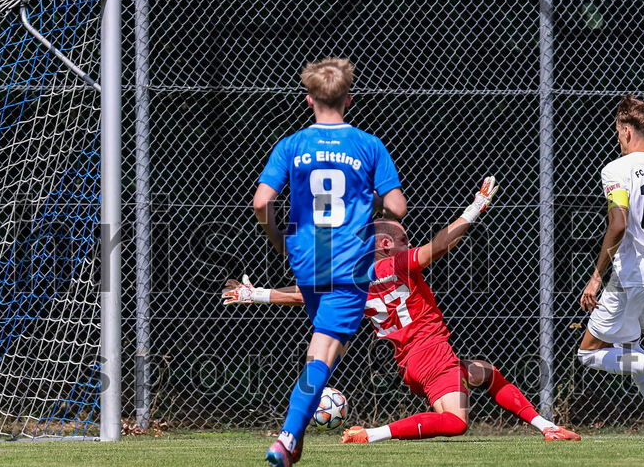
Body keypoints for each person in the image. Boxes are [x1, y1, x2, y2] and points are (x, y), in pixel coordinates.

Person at [224, 178, 580, 443]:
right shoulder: (397, 264)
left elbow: (302, 295)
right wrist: (474, 210)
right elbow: (438, 247)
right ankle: (373, 434)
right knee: (455, 422)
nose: (408, 245)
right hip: (430, 351)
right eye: (403, 240)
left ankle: (545, 427)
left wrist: (254, 294)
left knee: (484, 373)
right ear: (384, 244)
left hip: (410, 363)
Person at [252, 58, 406, 467]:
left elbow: (262, 202)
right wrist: (370, 201)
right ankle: (284, 439)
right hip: (349, 261)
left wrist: (281, 240)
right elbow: (397, 208)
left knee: (322, 348)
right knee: (322, 354)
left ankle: (295, 439)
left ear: (309, 100)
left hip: (307, 259)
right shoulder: (368, 145)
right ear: (348, 99)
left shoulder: (291, 145)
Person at [576, 95, 644, 443]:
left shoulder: (617, 169)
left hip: (633, 275)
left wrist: (596, 277)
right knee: (630, 346)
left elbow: (619, 223)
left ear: (625, 131)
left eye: (617, 130)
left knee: (589, 353)